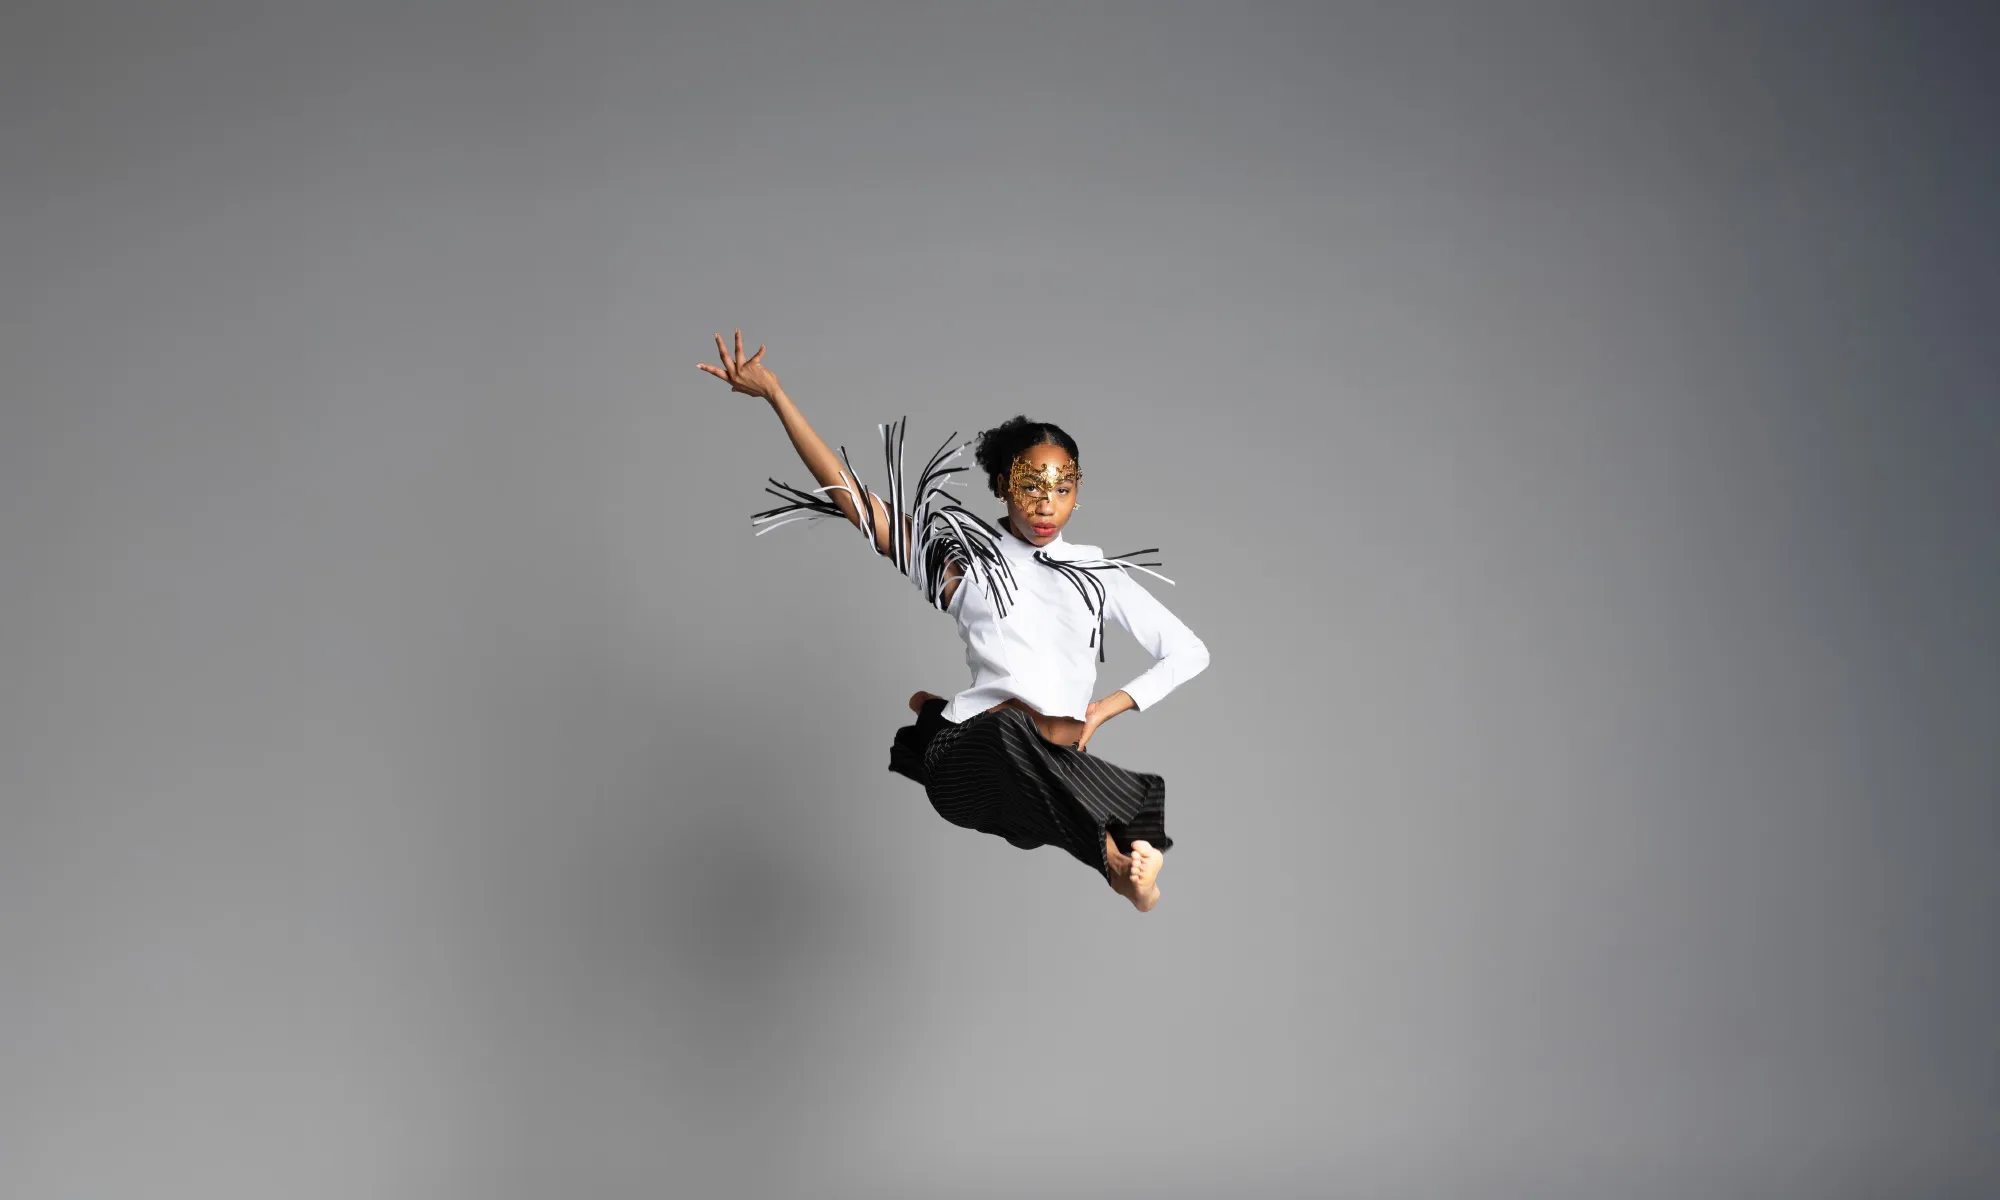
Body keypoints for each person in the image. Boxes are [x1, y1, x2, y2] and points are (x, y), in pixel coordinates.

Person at [698, 329, 1210, 912]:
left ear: (1077, 494)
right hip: (969, 765)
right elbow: (852, 497)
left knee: (1095, 776)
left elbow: (1189, 651)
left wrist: (1102, 708)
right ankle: (1121, 865)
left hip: (1051, 782)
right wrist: (775, 393)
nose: (1046, 504)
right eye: (1029, 486)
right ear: (1001, 485)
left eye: (1062, 488)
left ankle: (1119, 860)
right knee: (1008, 730)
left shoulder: (1097, 575)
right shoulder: (964, 561)